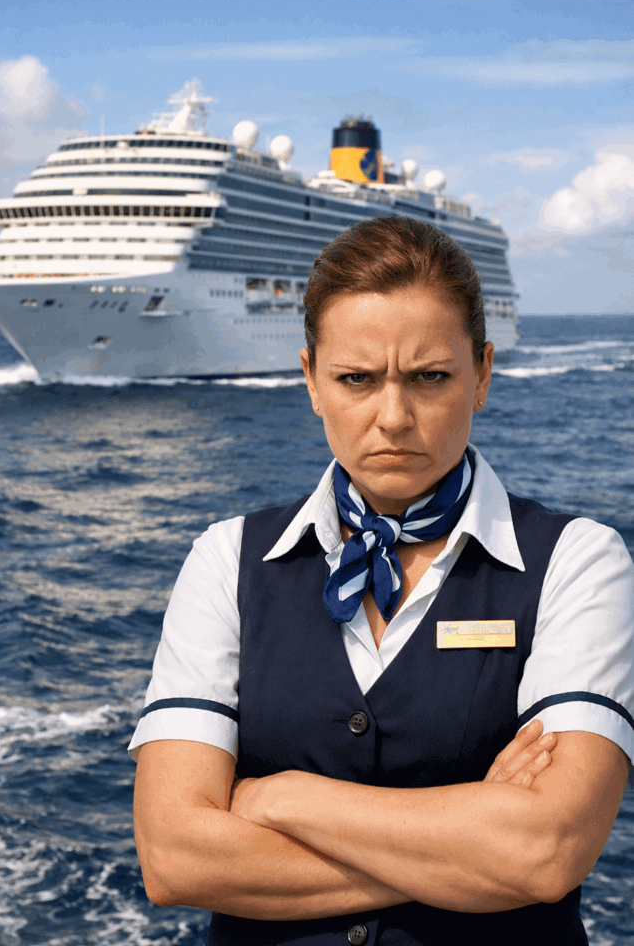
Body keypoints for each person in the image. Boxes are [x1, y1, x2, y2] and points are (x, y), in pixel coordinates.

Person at [131, 217, 634, 946]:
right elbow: (176, 858)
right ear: (309, 380)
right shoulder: (225, 558)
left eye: (429, 377)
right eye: (355, 379)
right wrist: (470, 844)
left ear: (482, 374)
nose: (392, 417)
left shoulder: (577, 560)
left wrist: (282, 799)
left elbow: (545, 852)